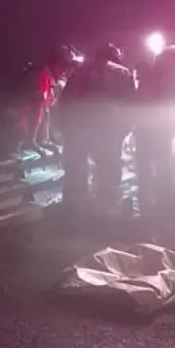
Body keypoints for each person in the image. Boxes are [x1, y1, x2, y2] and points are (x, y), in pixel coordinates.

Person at [58, 41, 137, 218]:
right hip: (109, 130)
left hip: (78, 128)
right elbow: (131, 105)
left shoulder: (79, 72)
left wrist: (65, 128)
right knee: (108, 169)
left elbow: (65, 101)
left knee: (76, 168)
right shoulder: (123, 73)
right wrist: (124, 130)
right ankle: (104, 210)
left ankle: (73, 210)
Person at [133, 44, 175, 235]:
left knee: (149, 171)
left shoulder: (154, 74)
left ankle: (151, 208)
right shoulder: (173, 77)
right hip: (158, 131)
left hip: (151, 131)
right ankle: (158, 209)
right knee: (158, 171)